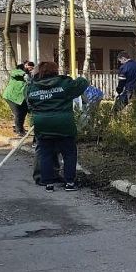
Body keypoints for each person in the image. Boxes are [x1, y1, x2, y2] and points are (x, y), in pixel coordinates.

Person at [26, 62, 90, 192]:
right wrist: (78, 77)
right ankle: (70, 183)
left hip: (42, 123)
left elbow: (29, 104)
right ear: (55, 71)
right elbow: (83, 83)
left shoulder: (31, 88)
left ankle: (48, 183)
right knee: (69, 153)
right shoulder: (64, 84)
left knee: (45, 154)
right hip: (63, 124)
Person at [2, 61, 34, 136]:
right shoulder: (16, 71)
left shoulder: (29, 75)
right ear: (25, 66)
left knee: (24, 111)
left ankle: (20, 128)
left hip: (21, 98)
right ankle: (19, 131)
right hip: (11, 97)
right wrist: (24, 73)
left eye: (32, 68)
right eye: (30, 68)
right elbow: (15, 73)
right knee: (18, 113)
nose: (30, 70)